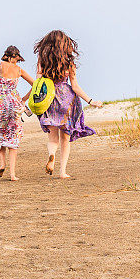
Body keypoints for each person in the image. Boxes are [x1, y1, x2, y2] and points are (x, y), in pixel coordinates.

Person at [33, 30, 103, 178]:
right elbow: (75, 87)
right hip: (67, 101)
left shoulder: (42, 61)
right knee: (65, 138)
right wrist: (91, 101)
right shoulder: (69, 64)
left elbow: (38, 82)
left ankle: (51, 155)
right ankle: (62, 172)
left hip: (50, 100)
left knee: (53, 138)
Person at [0, 46, 34, 181]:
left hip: (1, 104)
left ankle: (2, 164)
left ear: (6, 56)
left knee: (1, 133)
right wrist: (24, 99)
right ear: (16, 58)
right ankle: (12, 174)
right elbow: (35, 84)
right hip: (15, 104)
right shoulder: (19, 70)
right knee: (13, 137)